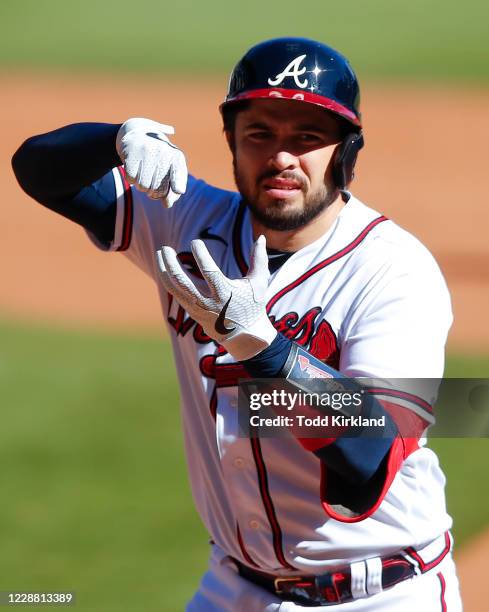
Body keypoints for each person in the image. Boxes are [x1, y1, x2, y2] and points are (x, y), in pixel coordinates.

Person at [12, 37, 462, 610]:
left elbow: (368, 449)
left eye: (307, 138)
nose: (281, 158)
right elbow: (40, 171)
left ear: (347, 152)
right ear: (231, 140)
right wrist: (115, 139)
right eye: (260, 134)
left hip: (382, 593)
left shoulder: (394, 271)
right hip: (232, 586)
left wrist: (266, 351)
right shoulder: (188, 219)